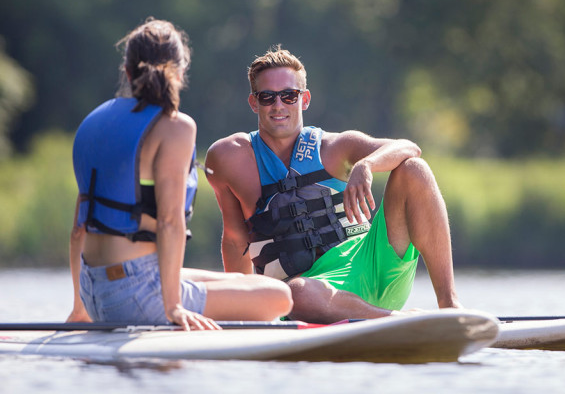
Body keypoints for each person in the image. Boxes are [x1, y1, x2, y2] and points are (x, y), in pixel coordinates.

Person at [205, 46, 462, 324]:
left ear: (304, 100)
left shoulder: (335, 147)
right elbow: (234, 239)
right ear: (254, 103)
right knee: (297, 292)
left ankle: (449, 305)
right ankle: (397, 321)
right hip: (311, 295)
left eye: (289, 95)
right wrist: (240, 317)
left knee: (413, 169)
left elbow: (408, 147)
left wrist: (366, 165)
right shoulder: (228, 157)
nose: (278, 105)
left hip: (372, 264)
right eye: (267, 97)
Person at [67, 18, 292, 330]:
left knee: (243, 281)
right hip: (139, 296)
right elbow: (170, 222)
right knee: (279, 296)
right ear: (180, 71)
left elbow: (79, 226)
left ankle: (98, 306)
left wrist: (81, 309)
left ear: (128, 71)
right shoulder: (175, 127)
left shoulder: (93, 121)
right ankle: (176, 304)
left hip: (94, 293)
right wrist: (173, 307)